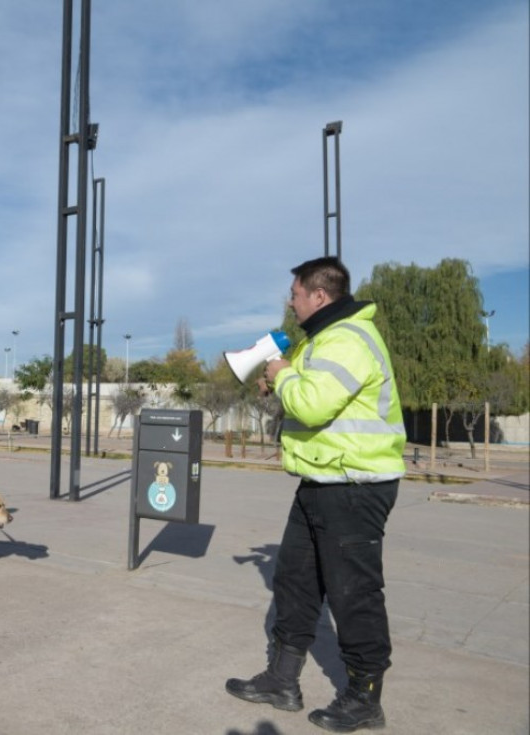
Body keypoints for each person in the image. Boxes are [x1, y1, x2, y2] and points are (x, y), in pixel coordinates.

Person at [225, 256, 405, 733]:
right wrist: (278, 379)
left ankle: (365, 698)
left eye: (296, 294)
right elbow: (302, 392)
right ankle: (282, 680)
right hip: (322, 480)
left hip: (355, 485)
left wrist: (283, 374)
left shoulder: (348, 340)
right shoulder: (323, 341)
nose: (291, 301)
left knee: (353, 594)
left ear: (319, 296)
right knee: (295, 582)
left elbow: (313, 402)